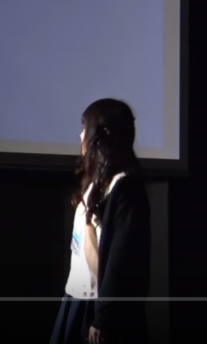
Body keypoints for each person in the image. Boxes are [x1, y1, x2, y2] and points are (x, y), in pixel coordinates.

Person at [49, 98, 151, 344]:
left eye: (85, 128)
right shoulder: (98, 183)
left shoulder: (125, 188)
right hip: (77, 297)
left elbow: (122, 259)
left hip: (97, 307)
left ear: (101, 135)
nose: (80, 135)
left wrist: (104, 317)